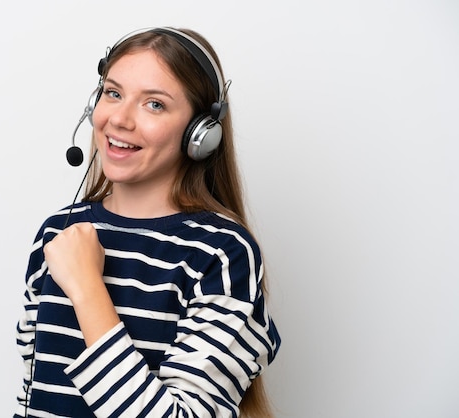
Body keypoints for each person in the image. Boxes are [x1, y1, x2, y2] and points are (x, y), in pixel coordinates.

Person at [14, 27, 281, 418]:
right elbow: (31, 394)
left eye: (154, 104)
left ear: (199, 133)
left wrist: (88, 289)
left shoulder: (221, 254)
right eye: (113, 93)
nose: (119, 119)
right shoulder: (58, 233)